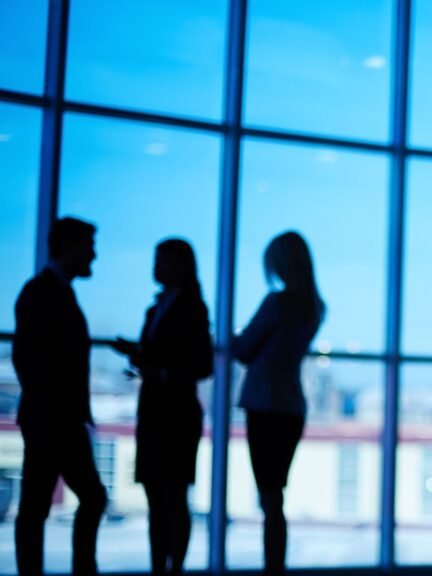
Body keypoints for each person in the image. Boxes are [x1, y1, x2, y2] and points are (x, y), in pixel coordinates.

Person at [13, 217, 108, 576]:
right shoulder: (45, 292)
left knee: (38, 507)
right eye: (88, 247)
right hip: (54, 420)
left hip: (52, 418)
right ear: (68, 246)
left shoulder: (47, 291)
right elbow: (29, 360)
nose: (93, 256)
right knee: (74, 501)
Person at [112, 239, 213, 575]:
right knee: (158, 497)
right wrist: (141, 355)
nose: (154, 267)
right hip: (156, 409)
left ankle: (173, 567)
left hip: (176, 412)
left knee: (172, 496)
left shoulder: (191, 308)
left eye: (161, 260)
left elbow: (202, 365)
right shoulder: (157, 308)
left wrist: (159, 372)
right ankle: (162, 567)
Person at [233, 231, 325, 576]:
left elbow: (244, 349)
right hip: (291, 406)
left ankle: (272, 566)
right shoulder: (313, 307)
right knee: (276, 494)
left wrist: (222, 337)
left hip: (265, 404)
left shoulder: (278, 302)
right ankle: (275, 566)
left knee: (268, 496)